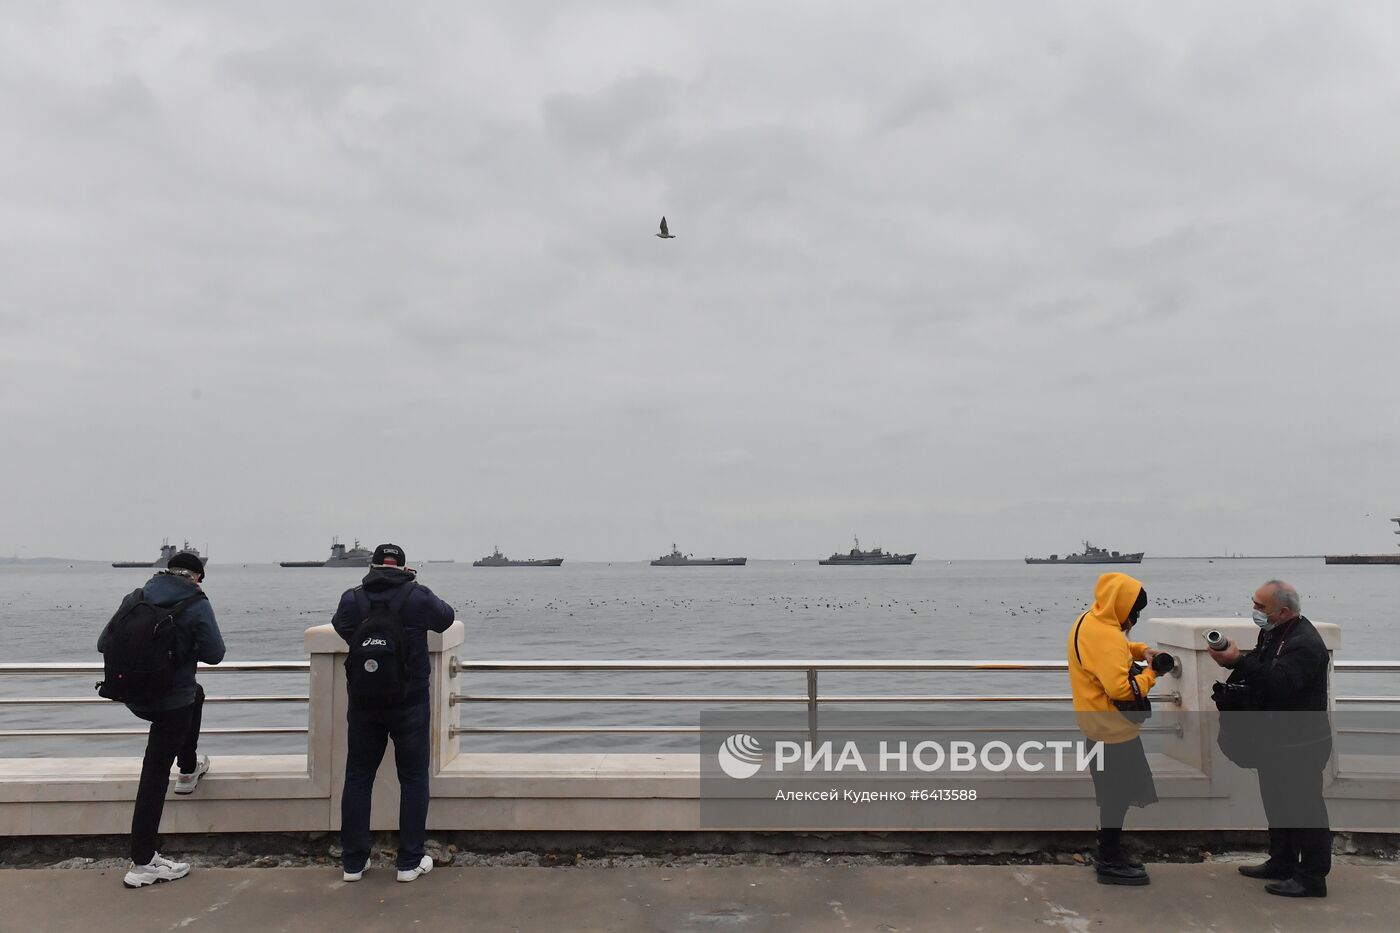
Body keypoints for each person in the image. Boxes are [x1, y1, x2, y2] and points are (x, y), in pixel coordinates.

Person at [97, 550, 225, 889]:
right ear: (196, 577)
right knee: (154, 774)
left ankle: (188, 767)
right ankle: (143, 863)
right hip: (171, 701)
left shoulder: (135, 597)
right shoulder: (196, 603)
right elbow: (215, 654)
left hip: (134, 696)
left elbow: (102, 644)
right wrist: (184, 648)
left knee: (195, 695)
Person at [332, 543, 455, 883]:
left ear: (372, 566)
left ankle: (354, 864)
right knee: (413, 777)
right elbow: (446, 618)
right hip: (409, 699)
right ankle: (409, 862)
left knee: (358, 777)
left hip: (363, 701)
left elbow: (342, 628)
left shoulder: (352, 598)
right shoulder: (416, 596)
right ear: (403, 568)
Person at [1209, 579, 1331, 898]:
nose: (1254, 611)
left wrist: (1238, 661)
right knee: (1277, 803)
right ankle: (1282, 862)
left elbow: (1279, 683)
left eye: (1260, 607)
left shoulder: (1305, 643)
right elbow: (1263, 672)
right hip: (1275, 740)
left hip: (1301, 743)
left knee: (1305, 809)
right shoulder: (1272, 632)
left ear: (1283, 611)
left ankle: (1312, 876)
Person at [1067, 572, 1170, 886]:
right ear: (1121, 606)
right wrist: (1153, 672)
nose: (1135, 617)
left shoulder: (1088, 621)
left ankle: (1108, 852)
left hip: (1094, 726)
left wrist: (1140, 651)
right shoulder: (1108, 635)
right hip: (1113, 731)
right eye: (1134, 611)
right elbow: (1122, 690)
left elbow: (1114, 649)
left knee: (1112, 795)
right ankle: (1109, 860)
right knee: (1117, 797)